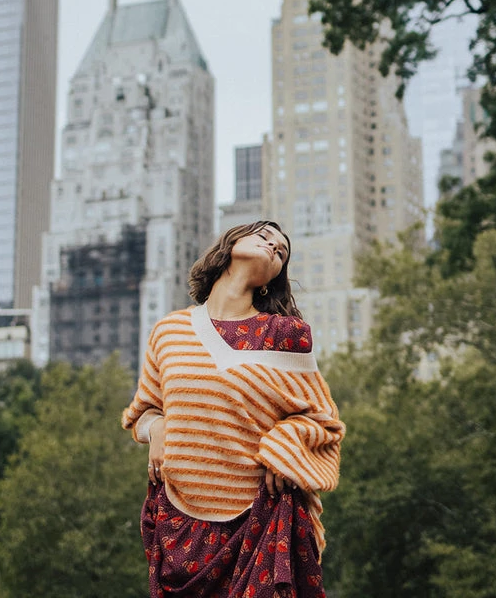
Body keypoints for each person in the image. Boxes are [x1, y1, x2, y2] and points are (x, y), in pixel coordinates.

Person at [122, 220, 345, 598]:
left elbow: (324, 422)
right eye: (264, 236)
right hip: (181, 526)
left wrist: (285, 446)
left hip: (262, 522)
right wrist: (157, 428)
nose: (274, 245)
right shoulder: (169, 331)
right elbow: (142, 412)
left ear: (273, 278)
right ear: (229, 245)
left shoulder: (285, 335)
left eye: (282, 251)